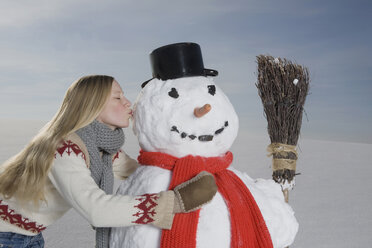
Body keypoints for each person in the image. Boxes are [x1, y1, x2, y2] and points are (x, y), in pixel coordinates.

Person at [0, 75, 217, 248]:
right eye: (117, 97)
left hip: (26, 236)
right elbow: (97, 210)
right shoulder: (64, 148)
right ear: (92, 105)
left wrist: (187, 169)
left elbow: (140, 173)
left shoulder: (100, 148)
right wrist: (174, 203)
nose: (128, 103)